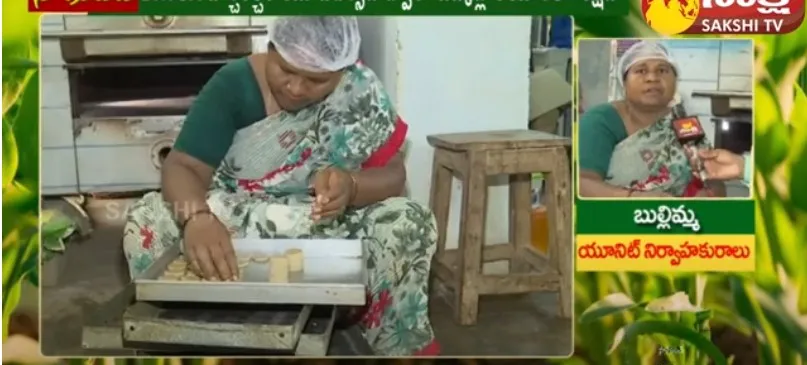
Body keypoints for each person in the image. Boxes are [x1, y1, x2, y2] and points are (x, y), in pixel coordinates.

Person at [121, 16, 440, 356]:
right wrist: (197, 218)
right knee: (149, 217)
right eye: (286, 70)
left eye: (317, 79)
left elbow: (394, 176)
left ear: (342, 70)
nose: (297, 88)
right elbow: (183, 165)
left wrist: (352, 186)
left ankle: (375, 333)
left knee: (410, 221)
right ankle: (186, 336)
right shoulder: (232, 85)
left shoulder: (359, 90)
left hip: (322, 228)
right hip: (235, 228)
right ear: (271, 47)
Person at [578, 41, 726, 198]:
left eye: (662, 70)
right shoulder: (601, 120)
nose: (652, 78)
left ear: (675, 82)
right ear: (624, 82)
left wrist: (708, 196)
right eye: (641, 71)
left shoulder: (685, 123)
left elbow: (714, 181)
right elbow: (582, 183)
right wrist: (634, 199)